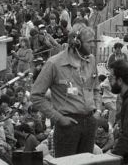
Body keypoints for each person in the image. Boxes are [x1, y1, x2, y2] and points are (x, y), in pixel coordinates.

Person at [31, 24, 100, 158]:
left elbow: (96, 88)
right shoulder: (54, 63)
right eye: (90, 42)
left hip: (90, 122)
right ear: (77, 42)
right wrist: (59, 118)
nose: (93, 46)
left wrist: (97, 109)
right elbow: (36, 95)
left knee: (87, 162)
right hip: (68, 124)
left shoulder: (91, 60)